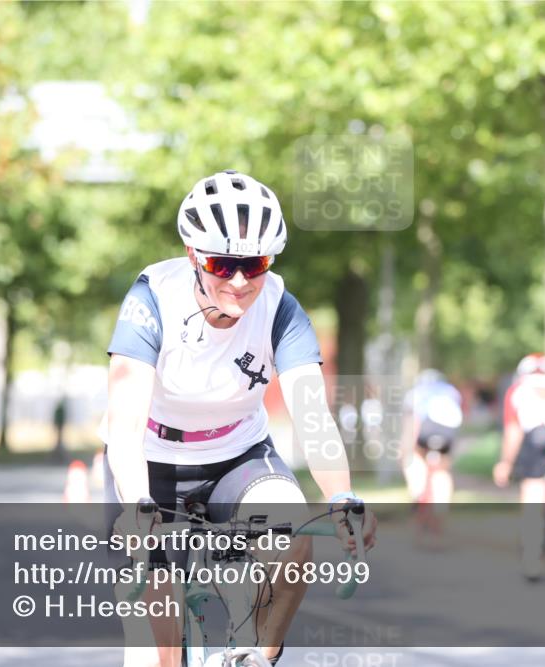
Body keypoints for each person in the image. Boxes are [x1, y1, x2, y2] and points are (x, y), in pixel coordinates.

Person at [98, 170, 377, 667]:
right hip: (151, 462)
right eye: (222, 265)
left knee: (290, 535)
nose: (241, 280)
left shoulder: (279, 308)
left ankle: (259, 657)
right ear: (193, 256)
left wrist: (340, 496)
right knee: (156, 657)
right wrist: (139, 504)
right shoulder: (152, 298)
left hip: (237, 456)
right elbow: (124, 420)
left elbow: (311, 412)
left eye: (256, 263)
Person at [492, 353, 545, 580]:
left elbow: (514, 431)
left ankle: (532, 558)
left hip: (538, 438)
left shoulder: (519, 389)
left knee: (533, 493)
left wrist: (505, 463)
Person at [402, 369, 463, 539]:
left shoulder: (415, 393)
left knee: (415, 459)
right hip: (448, 434)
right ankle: (441, 507)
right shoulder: (452, 392)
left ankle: (418, 492)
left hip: (426, 430)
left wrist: (406, 449)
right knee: (442, 471)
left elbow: (412, 423)